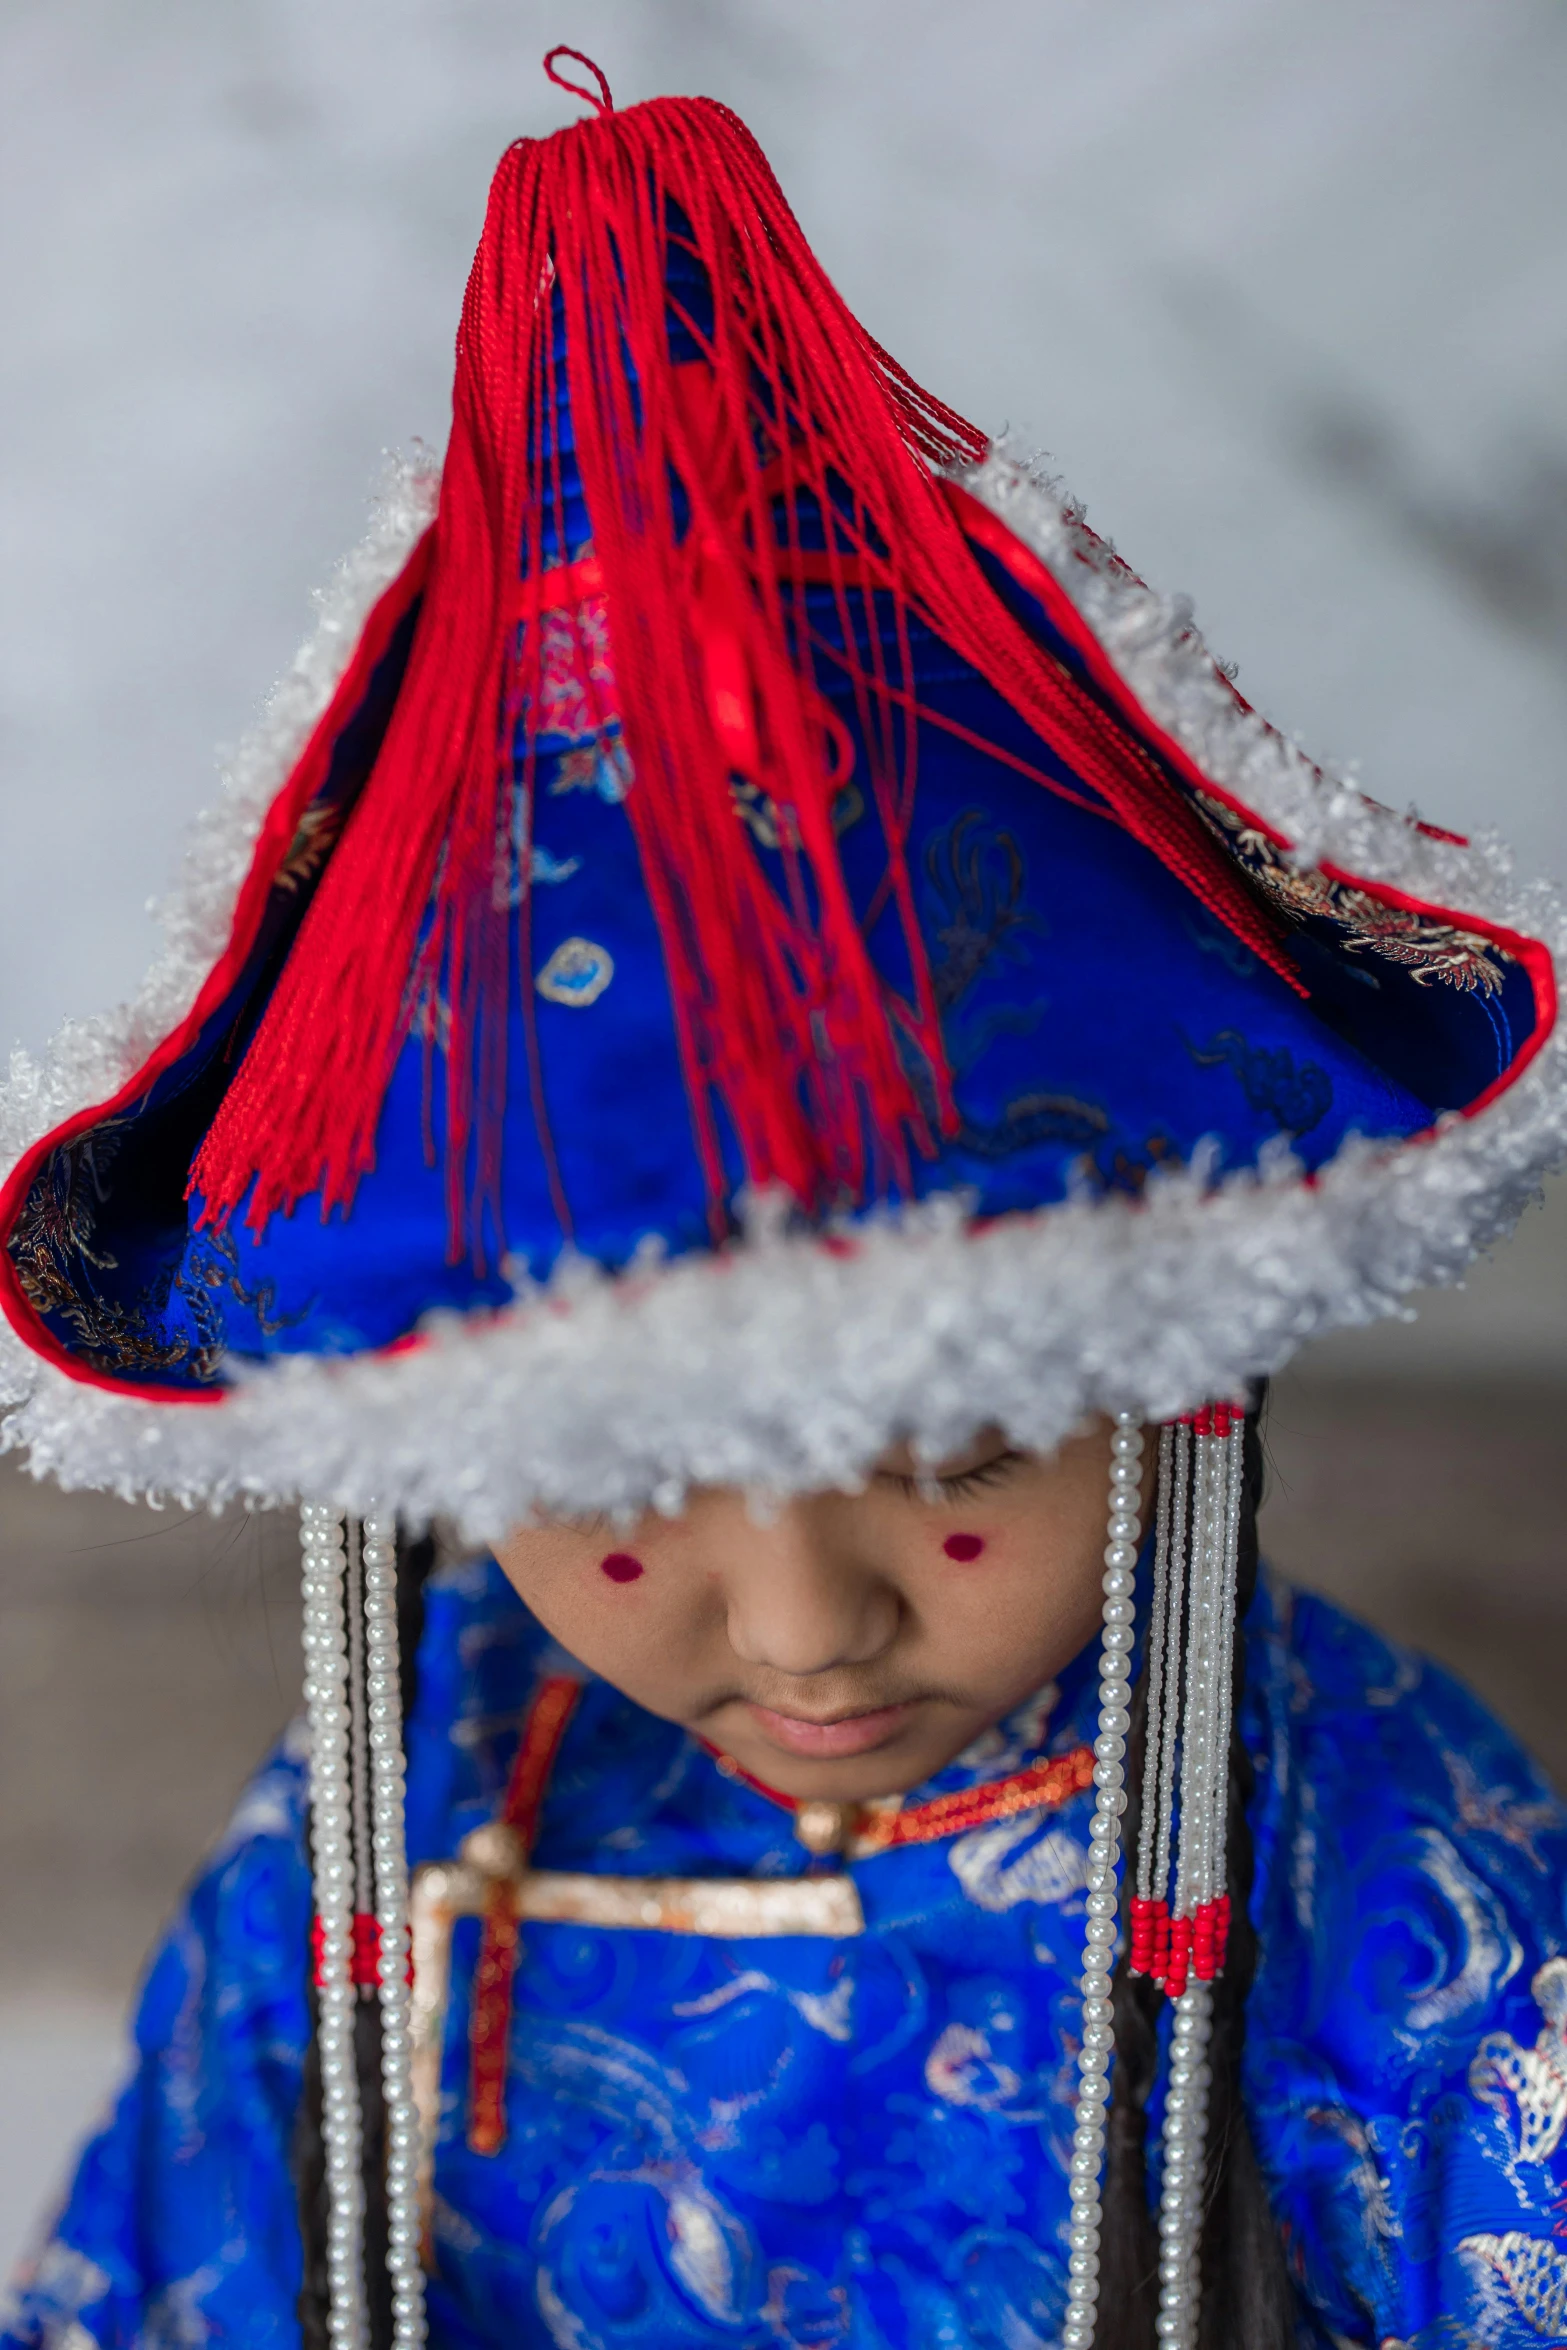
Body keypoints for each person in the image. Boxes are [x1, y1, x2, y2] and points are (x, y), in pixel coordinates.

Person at [1, 47, 1564, 2350]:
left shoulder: (1380, 1850)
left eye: (952, 1462)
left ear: (1163, 1361)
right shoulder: (406, 1805)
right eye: (623, 1478)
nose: (805, 1623)